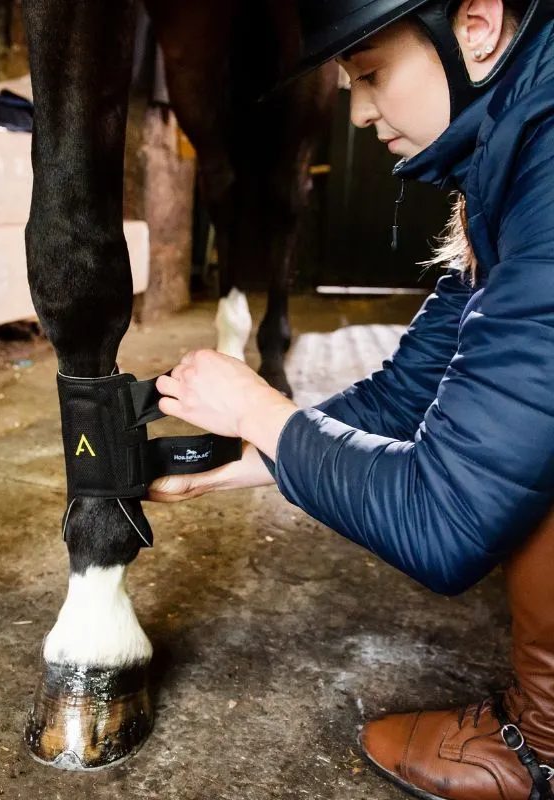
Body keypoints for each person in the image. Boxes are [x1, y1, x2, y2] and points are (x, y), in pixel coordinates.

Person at [149, 2, 554, 798]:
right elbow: (414, 390)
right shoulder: (514, 148)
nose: (360, 112)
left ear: (474, 24)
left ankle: (541, 746)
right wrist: (264, 454)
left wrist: (263, 414)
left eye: (369, 75)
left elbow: (448, 518)